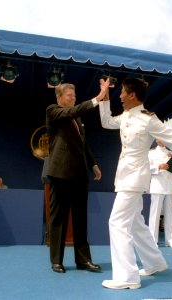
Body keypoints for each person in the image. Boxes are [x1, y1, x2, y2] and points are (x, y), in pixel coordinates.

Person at [99, 77, 172, 290]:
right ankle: (155, 262)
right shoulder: (126, 115)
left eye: (123, 93)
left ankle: (127, 277)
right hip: (125, 176)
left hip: (135, 178)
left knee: (117, 222)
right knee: (135, 223)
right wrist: (104, 98)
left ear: (132, 94)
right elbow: (106, 122)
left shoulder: (149, 120)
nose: (121, 97)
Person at [45, 80, 108, 273]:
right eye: (69, 95)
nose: (73, 98)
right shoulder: (53, 111)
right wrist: (97, 98)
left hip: (80, 176)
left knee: (81, 219)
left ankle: (83, 260)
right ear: (59, 97)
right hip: (60, 174)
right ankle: (57, 260)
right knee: (58, 219)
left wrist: (93, 165)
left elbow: (83, 144)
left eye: (74, 95)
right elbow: (71, 112)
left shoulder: (77, 120)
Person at [147, 140, 172, 248]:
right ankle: (153, 240)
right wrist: (158, 167)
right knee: (154, 214)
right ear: (156, 139)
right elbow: (146, 168)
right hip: (157, 185)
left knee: (169, 213)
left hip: (169, 185)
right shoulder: (151, 153)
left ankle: (169, 240)